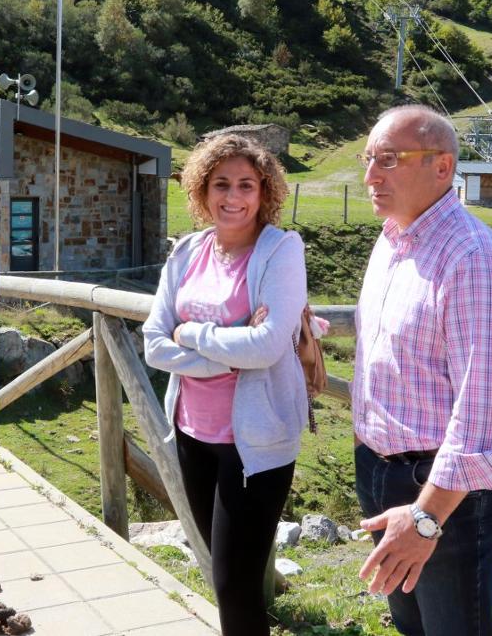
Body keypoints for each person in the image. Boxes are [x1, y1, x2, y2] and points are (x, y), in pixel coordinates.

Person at [353, 105, 492, 636]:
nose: (370, 176)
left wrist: (426, 516)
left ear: (442, 167)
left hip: (445, 490)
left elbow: (485, 415)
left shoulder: (476, 259)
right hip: (381, 469)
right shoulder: (392, 238)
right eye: (368, 159)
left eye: (388, 159)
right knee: (412, 625)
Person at [143, 134, 308, 636]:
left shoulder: (280, 250)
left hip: (254, 444)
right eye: (221, 184)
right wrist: (225, 354)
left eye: (245, 185)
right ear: (201, 190)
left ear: (264, 192)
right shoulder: (188, 250)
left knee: (234, 584)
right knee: (222, 569)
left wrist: (190, 335)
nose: (232, 197)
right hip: (194, 433)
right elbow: (152, 342)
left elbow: (267, 347)